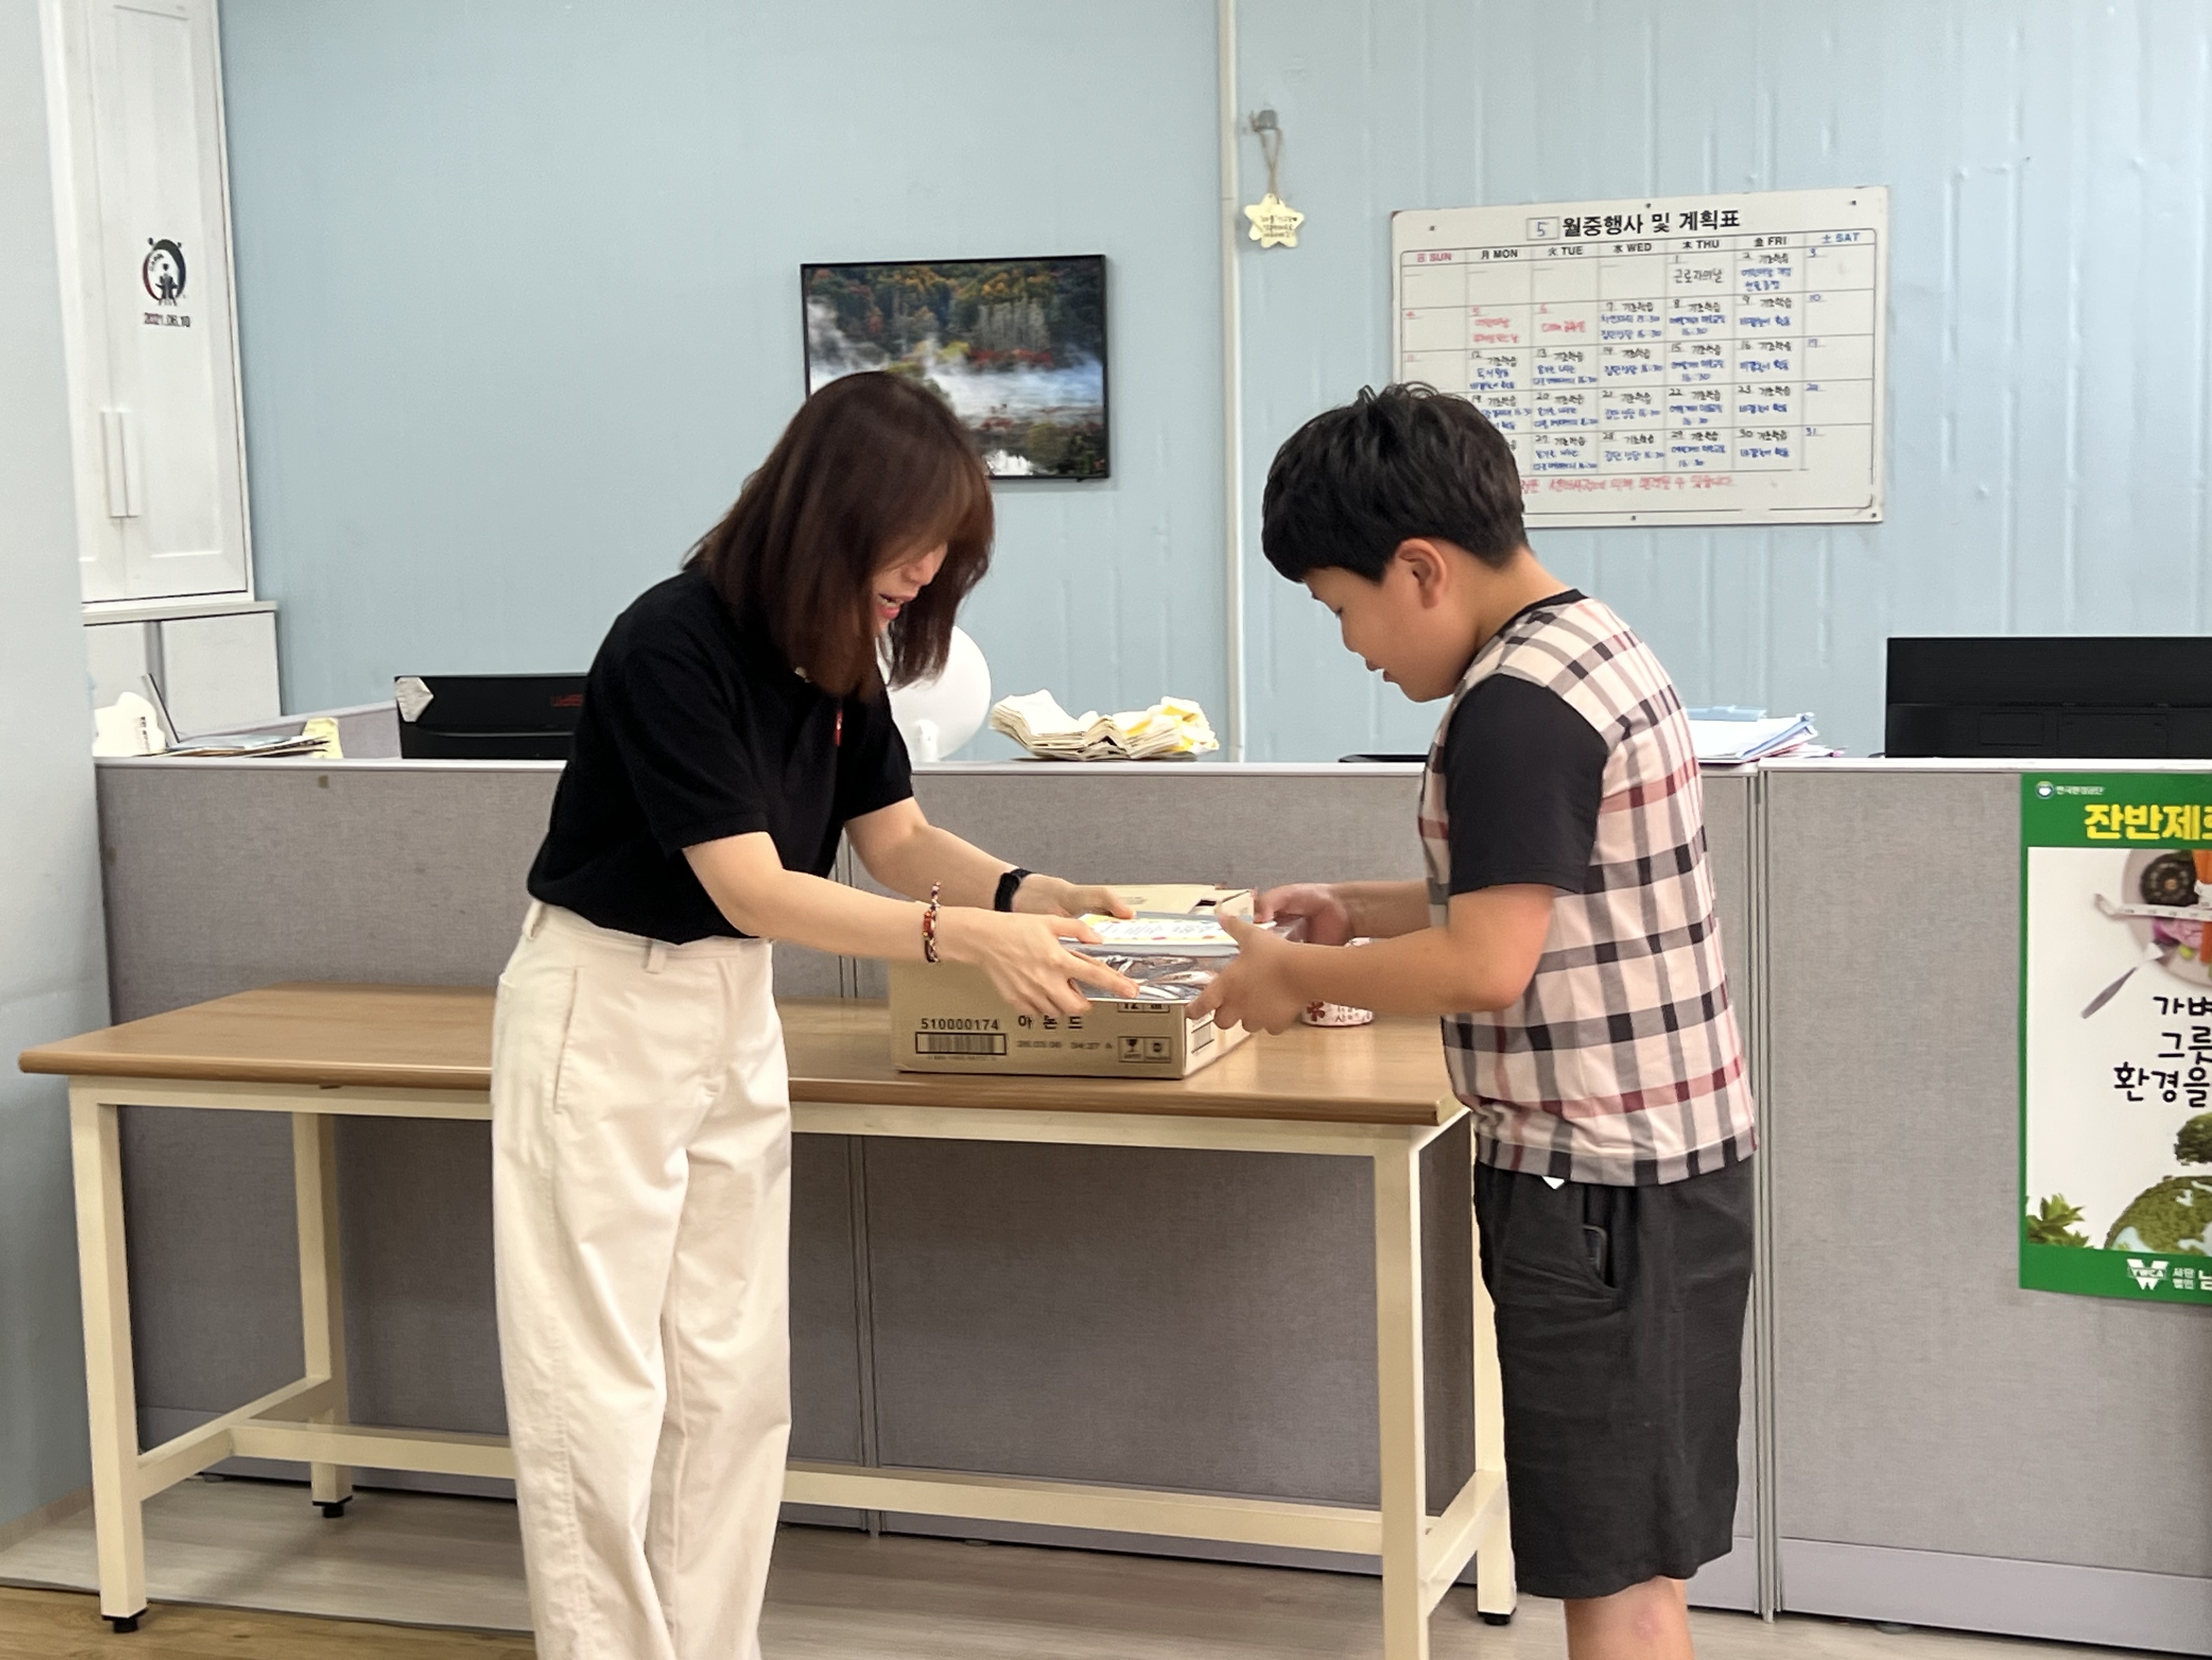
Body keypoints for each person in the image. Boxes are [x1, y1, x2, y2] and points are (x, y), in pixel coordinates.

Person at [490, 371, 1136, 1660]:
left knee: (732, 1378)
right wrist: (966, 939)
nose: (925, 579)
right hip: (605, 1006)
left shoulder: (839, 653)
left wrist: (1034, 894)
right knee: (597, 1387)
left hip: (732, 1008)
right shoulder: (671, 642)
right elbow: (752, 884)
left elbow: (897, 840)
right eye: (913, 550)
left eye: (942, 560)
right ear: (833, 515)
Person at [1193, 384, 1755, 1660]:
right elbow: (1544, 890)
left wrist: (1293, 978)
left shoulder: (1511, 708)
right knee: (1639, 1557)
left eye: (1342, 608)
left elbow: (1489, 962)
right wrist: (1356, 910)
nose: (1353, 646)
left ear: (1420, 568)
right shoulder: (1592, 646)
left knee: (1613, 1576)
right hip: (1668, 1173)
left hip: (1593, 1189)